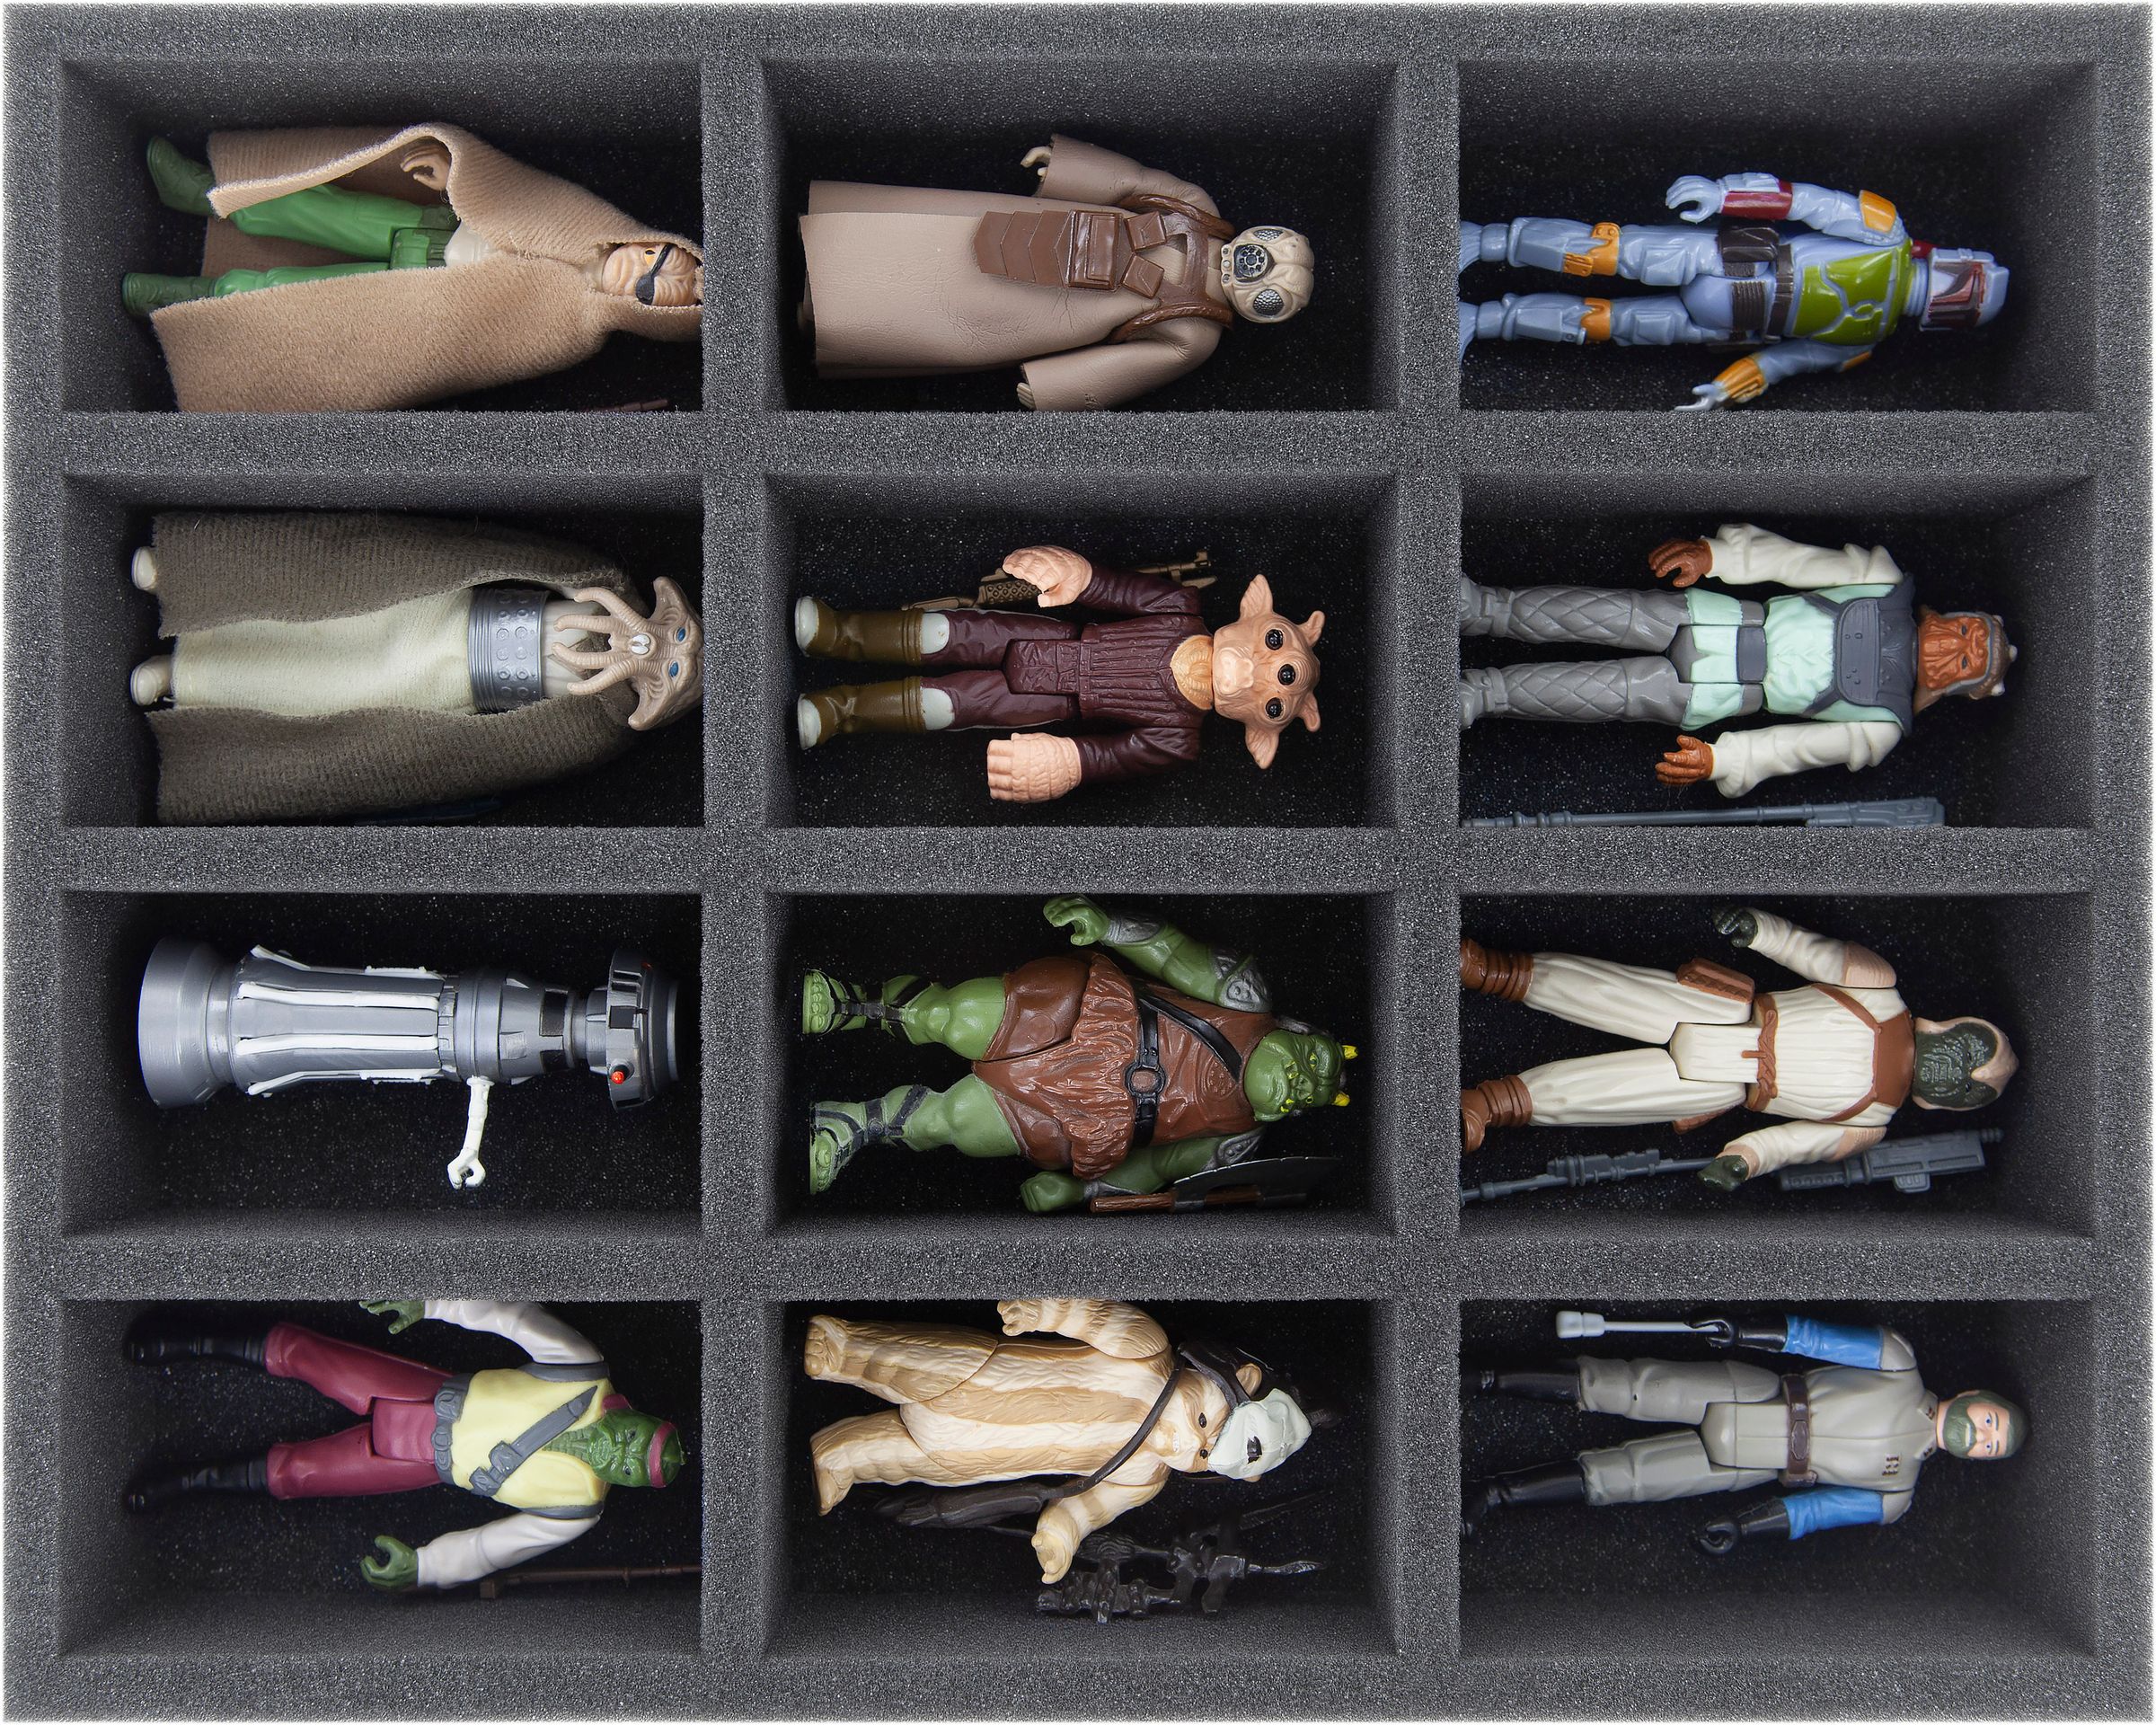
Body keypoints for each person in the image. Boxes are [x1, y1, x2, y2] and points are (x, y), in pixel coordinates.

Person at [800, 895, 1353, 1208]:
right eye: (1311, 1062)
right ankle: (857, 1004)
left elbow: (1156, 1167)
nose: (1300, 1081)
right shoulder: (1243, 996)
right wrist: (1109, 925)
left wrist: (1077, 1188)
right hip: (1091, 1017)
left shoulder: (1236, 1141)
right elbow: (1170, 952)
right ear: (1299, 1031)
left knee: (956, 1123)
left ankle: (853, 1122)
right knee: (954, 1016)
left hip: (1088, 1119)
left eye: (1310, 1095)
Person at [122, 128, 702, 411]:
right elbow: (520, 197)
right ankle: (204, 192)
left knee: (290, 301)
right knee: (321, 208)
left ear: (644, 312)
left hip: (409, 304)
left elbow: (478, 347)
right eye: (652, 257)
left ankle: (189, 303)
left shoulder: (574, 333)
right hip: (433, 228)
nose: (636, 268)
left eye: (647, 286)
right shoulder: (589, 221)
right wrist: (458, 178)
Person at [124, 1299, 685, 1591]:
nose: (620, 1456)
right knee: (304, 1354)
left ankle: (186, 1483)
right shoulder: (583, 1371)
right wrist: (435, 1304)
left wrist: (425, 1567)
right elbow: (513, 1319)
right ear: (636, 1414)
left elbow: (492, 1548)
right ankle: (193, 1339)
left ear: (630, 1485)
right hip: (425, 1394)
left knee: (296, 1474)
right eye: (633, 1442)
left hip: (416, 1464)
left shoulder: (577, 1510)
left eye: (631, 1469)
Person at [1459, 906, 2017, 1184]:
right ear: (1952, 1024)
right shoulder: (1878, 987)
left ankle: (1490, 1105)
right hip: (1726, 1013)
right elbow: (1808, 950)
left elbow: (1788, 1146)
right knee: (1605, 990)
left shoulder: (1867, 1125)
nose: (1960, 1072)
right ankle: (1492, 970)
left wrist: (1742, 1161)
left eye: (1969, 1088)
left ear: (1944, 1106)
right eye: (1971, 1052)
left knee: (1597, 1096)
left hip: (1720, 1087)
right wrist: (1761, 930)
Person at [1460, 523, 2012, 797]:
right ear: (1957, 615)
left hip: (1720, 692)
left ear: (1961, 689)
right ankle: (1483, 607)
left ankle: (1482, 694)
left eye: (1967, 661)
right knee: (1602, 613)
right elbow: (1795, 562)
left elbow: (1789, 749)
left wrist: (1723, 761)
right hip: (1721, 617)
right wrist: (1719, 555)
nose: (1953, 647)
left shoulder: (1880, 725)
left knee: (1605, 694)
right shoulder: (1880, 580)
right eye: (1967, 632)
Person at [807, 1298, 1316, 1583]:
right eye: (1202, 1421)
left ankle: (841, 1459)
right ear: (1229, 1375)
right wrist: (1045, 1314)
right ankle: (842, 1350)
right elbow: (1095, 1318)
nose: (1187, 1443)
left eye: (1203, 1456)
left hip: (972, 1456)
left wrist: (1061, 1536)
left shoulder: (1144, 1477)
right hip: (984, 1378)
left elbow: (1089, 1507)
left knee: (905, 1458)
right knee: (914, 1363)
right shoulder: (1149, 1352)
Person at [800, 134, 1312, 409]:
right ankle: (828, 244)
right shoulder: (1196, 207)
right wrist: (1070, 170)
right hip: (1049, 231)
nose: (1247, 267)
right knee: (936, 236)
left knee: (930, 314)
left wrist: (1057, 388)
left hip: (1044, 311)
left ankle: (820, 314)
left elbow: (1126, 368)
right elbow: (1134, 182)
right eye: (1264, 253)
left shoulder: (1194, 334)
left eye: (1265, 289)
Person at [796, 544, 1322, 801]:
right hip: (1048, 636)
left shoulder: (1177, 738)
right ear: (1254, 614)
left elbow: (1110, 756)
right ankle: (838, 631)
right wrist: (1078, 574)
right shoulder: (1179, 607)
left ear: (1261, 731)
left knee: (946, 705)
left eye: (1275, 699)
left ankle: (840, 712)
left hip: (1046, 703)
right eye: (1274, 645)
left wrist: (1064, 763)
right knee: (944, 631)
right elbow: (1114, 589)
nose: (1255, 673)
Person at [1462, 1311, 2026, 1551]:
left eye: (1989, 1447)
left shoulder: (1893, 1496)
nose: (1980, 1437)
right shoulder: (1897, 1361)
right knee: (1623, 1386)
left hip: (1748, 1467)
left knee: (1624, 1480)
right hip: (1758, 1393)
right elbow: (1811, 1338)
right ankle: (1486, 1378)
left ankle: (1496, 1494)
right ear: (1976, 1396)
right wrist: (1743, 1331)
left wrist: (1745, 1525)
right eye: (1989, 1423)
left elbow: (1811, 1513)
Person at [1457, 173, 2007, 409]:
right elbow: (1801, 201)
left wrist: (1727, 386)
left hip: (1726, 323)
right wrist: (1724, 194)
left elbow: (1783, 363)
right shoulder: (1886, 234)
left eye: (1961, 303)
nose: (1951, 295)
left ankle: (1481, 321)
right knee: (1603, 251)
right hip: (1733, 257)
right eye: (1963, 287)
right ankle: (1484, 240)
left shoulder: (1865, 341)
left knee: (1601, 324)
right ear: (1956, 262)